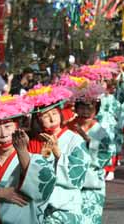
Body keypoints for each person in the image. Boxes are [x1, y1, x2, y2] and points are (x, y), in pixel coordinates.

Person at [0, 95, 56, 224]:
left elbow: (44, 184)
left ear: (17, 126)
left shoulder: (35, 149)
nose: (3, 134)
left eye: (7, 126)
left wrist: (22, 152)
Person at [28, 94, 91, 223]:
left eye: (54, 113)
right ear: (38, 120)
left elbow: (78, 174)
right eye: (45, 116)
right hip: (40, 206)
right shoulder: (34, 142)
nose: (51, 118)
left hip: (67, 205)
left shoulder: (75, 139)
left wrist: (58, 154)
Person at [69, 96, 112, 224]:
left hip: (92, 180)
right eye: (82, 108)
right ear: (76, 109)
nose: (85, 112)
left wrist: (88, 140)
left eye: (90, 108)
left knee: (89, 217)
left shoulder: (100, 130)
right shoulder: (68, 126)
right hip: (69, 179)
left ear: (96, 111)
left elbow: (107, 154)